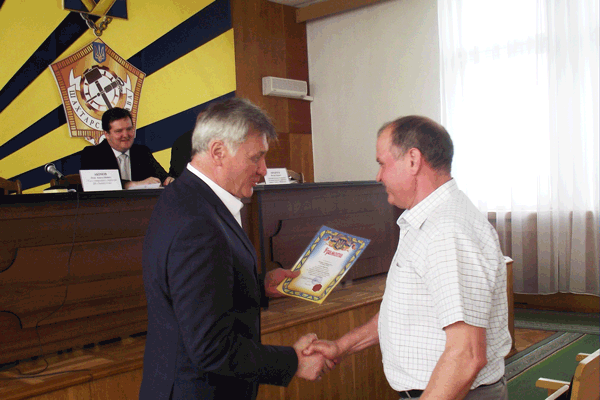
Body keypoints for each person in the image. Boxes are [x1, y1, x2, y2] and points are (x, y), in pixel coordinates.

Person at [305, 116, 511, 400]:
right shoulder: (428, 220)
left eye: (382, 163)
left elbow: (467, 355)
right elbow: (406, 312)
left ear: (413, 161)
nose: (378, 176)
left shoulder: (445, 231)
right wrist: (342, 346)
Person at [139, 98, 329, 400]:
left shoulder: (186, 196)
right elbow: (211, 347)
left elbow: (196, 293)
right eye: (256, 158)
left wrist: (259, 286)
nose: (263, 170)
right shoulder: (198, 223)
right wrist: (293, 362)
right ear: (218, 152)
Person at [80, 107, 174, 189]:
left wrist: (168, 180)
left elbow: (162, 176)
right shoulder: (92, 154)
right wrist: (130, 185)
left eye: (129, 129)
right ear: (107, 134)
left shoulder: (142, 152)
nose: (125, 135)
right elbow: (97, 184)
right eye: (119, 131)